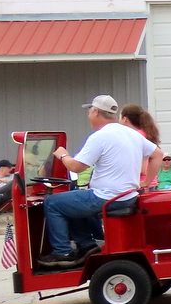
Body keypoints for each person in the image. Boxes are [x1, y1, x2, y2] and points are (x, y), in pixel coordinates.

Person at [41, 95, 163, 267]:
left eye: (90, 111)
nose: (89, 115)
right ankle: (86, 245)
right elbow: (158, 155)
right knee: (73, 200)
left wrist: (63, 155)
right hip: (127, 196)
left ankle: (63, 252)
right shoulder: (131, 134)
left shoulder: (100, 137)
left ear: (96, 111)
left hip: (107, 197)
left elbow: (76, 167)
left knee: (52, 203)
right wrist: (145, 182)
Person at [120, 104, 161, 187]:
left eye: (119, 117)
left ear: (125, 119)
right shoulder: (145, 133)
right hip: (150, 183)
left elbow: (143, 168)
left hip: (141, 184)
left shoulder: (136, 137)